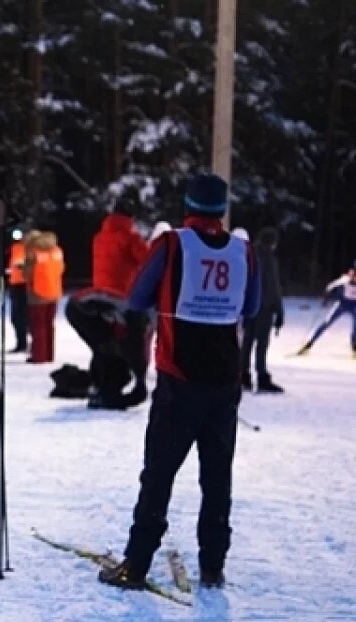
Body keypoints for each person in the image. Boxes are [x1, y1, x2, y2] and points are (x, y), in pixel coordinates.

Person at [99, 173, 260, 591]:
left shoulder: (172, 244)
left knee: (159, 474)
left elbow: (137, 298)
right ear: (222, 209)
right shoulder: (243, 250)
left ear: (188, 205)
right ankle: (213, 566)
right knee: (217, 477)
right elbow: (252, 306)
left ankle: (136, 564)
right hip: (224, 381)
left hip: (179, 379)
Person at [64, 288, 149, 409]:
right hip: (81, 307)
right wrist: (140, 378)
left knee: (106, 349)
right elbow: (135, 343)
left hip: (84, 305)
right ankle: (104, 391)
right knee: (108, 349)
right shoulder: (136, 313)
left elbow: (137, 344)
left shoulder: (139, 313)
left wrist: (140, 378)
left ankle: (101, 388)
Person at [239, 227, 285, 392]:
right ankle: (262, 376)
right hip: (265, 307)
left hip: (249, 305)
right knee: (262, 343)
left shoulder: (249, 255)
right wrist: (279, 311)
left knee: (247, 341)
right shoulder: (268, 259)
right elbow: (273, 286)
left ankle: (243, 375)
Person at [298, 259, 356, 359]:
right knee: (326, 322)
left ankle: (355, 349)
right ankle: (308, 345)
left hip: (355, 305)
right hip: (342, 303)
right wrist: (326, 296)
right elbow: (331, 286)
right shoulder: (347, 278)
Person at [92, 195, 150, 296]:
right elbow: (149, 259)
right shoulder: (131, 237)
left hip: (100, 290)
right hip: (123, 292)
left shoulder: (99, 237)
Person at [23, 228, 65, 364]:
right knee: (49, 324)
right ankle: (48, 354)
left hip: (38, 293)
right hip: (54, 291)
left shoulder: (33, 253)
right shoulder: (57, 250)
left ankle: (39, 356)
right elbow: (61, 268)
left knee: (38, 326)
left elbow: (27, 274)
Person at [6, 228, 30, 351]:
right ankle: (21, 343)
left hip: (25, 285)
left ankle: (27, 343)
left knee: (24, 316)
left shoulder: (30, 249)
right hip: (15, 285)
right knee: (16, 317)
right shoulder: (13, 248)